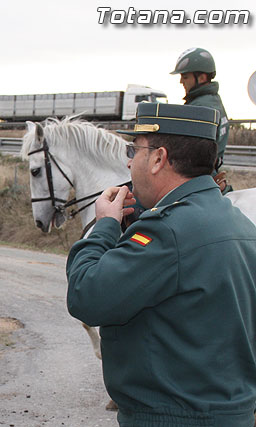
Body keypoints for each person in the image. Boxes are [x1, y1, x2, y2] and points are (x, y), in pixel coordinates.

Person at [66, 102, 256, 427]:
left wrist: (105, 226)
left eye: (136, 150)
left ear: (158, 159)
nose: (129, 162)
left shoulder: (166, 231)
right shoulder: (241, 225)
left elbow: (87, 295)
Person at [170, 47, 229, 176]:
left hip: (196, 175)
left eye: (185, 77)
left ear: (201, 78)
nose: (181, 81)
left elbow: (184, 151)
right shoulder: (213, 100)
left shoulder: (200, 108)